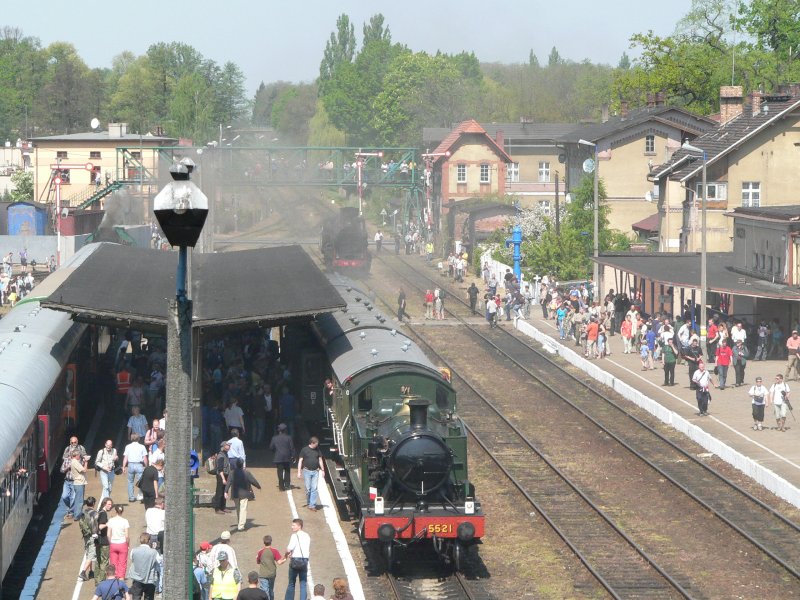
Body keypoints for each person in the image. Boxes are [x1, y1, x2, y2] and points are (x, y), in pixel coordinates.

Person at [228, 465, 261, 531]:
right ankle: (241, 525)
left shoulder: (232, 473)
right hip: (244, 494)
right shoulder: (246, 473)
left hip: (235, 494)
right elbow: (253, 480)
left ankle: (239, 523)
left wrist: (225, 491)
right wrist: (258, 486)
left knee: (238, 509)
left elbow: (229, 482)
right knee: (243, 509)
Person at [61, 436, 87, 518]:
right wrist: (68, 464)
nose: (73, 444)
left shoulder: (81, 448)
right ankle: (72, 508)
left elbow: (84, 456)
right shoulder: (67, 449)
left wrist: (81, 461)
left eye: (75, 442)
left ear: (77, 442)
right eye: (72, 443)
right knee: (64, 496)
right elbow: (63, 458)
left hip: (74, 479)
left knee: (73, 497)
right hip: (67, 479)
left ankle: (71, 512)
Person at [284, 518, 310, 600]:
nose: (292, 527)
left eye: (293, 525)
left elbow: (289, 548)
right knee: (303, 584)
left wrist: (287, 554)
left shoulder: (294, 535)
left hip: (295, 561)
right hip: (304, 561)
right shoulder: (307, 536)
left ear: (299, 526)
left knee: (291, 583)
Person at [129, 532, 159, 600]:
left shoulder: (134, 551)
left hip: (137, 579)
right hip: (150, 580)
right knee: (149, 598)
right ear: (149, 541)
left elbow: (132, 559)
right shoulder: (154, 552)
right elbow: (158, 562)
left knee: (136, 597)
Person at [297, 437, 324, 511]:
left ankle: (312, 505)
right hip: (307, 471)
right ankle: (309, 503)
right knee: (308, 489)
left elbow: (320, 460)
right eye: (316, 444)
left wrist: (323, 470)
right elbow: (300, 461)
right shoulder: (304, 450)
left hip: (315, 471)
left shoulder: (317, 450)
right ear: (312, 443)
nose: (317, 446)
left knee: (314, 488)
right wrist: (299, 472)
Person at [256, 535, 285, 600]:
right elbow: (279, 562)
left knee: (265, 591)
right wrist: (285, 558)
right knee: (271, 590)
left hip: (263, 574)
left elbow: (258, 562)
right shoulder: (275, 551)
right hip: (272, 574)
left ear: (264, 542)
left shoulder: (260, 551)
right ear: (271, 542)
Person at [122, 433, 148, 503]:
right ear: (138, 438)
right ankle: (141, 496)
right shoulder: (142, 446)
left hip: (130, 465)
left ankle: (131, 497)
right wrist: (146, 466)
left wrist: (124, 466)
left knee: (130, 482)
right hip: (139, 465)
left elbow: (125, 457)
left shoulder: (128, 446)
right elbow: (145, 458)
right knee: (141, 482)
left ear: (131, 438)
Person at [78, 496, 98, 582]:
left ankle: (91, 572)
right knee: (91, 554)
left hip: (86, 536)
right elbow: (95, 525)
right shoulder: (94, 513)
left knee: (88, 552)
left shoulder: (83, 512)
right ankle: (83, 572)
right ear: (93, 504)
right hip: (92, 536)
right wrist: (95, 534)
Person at [107, 504, 130, 579]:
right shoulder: (125, 521)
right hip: (122, 544)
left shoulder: (111, 520)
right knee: (122, 564)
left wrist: (110, 542)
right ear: (122, 511)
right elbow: (127, 536)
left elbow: (108, 534)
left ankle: (113, 579)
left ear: (115, 511)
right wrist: (127, 544)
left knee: (113, 563)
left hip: (113, 544)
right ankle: (121, 580)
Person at [270, 424, 294, 492]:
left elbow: (271, 447)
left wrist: (276, 452)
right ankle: (287, 485)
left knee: (280, 471)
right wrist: (293, 455)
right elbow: (292, 448)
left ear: (278, 430)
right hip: (287, 456)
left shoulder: (274, 438)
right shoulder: (289, 438)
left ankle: (281, 486)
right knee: (287, 470)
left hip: (278, 457)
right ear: (285, 430)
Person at [95, 498, 113, 585]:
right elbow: (100, 526)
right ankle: (101, 581)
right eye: (108, 504)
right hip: (104, 541)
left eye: (111, 504)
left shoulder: (99, 512)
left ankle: (97, 580)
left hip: (97, 540)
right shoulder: (103, 514)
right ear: (104, 504)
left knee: (98, 560)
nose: (110, 506)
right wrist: (108, 523)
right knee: (104, 561)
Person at [70, 449, 89, 520]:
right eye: (79, 455)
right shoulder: (75, 462)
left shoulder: (74, 462)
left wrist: (83, 462)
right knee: (79, 500)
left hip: (78, 483)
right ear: (77, 455)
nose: (80, 456)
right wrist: (86, 462)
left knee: (78, 499)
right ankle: (77, 515)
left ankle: (78, 513)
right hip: (79, 483)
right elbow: (84, 470)